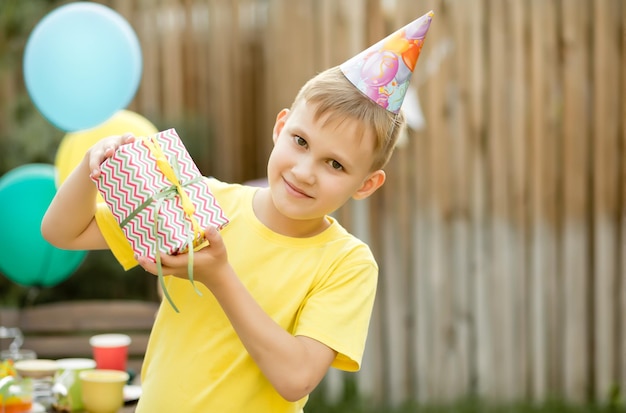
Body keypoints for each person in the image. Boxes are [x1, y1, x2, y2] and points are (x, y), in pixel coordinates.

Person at [42, 11, 433, 413]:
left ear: (366, 184)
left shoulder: (347, 264)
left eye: (335, 165)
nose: (305, 171)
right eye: (300, 141)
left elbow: (295, 378)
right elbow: (62, 233)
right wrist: (94, 163)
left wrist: (219, 276)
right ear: (280, 128)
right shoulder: (200, 200)